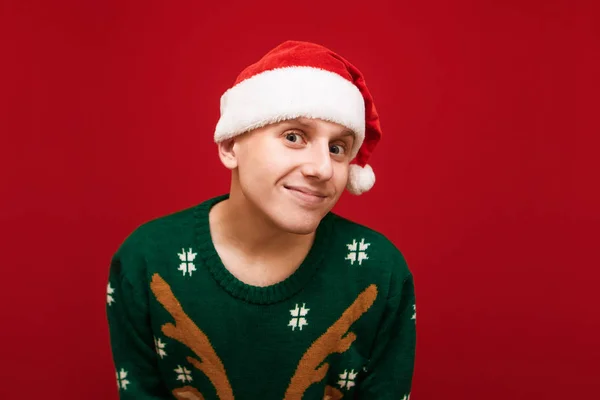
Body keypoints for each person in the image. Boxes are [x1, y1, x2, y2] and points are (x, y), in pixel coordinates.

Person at [106, 40, 416, 400]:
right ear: (230, 145)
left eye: (337, 148)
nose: (322, 168)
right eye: (293, 137)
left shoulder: (379, 271)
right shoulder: (146, 260)